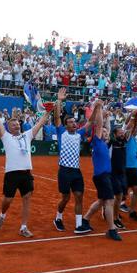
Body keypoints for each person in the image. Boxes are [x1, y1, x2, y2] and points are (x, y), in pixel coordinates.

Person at [0, 94, 51, 238]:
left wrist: (48, 111)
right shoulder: (6, 136)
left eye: (17, 123)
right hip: (12, 173)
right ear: (9, 127)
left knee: (27, 198)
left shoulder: (27, 135)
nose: (16, 125)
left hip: (26, 173)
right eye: (13, 124)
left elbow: (41, 123)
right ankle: (3, 214)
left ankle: (23, 227)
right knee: (7, 200)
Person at [74, 99, 121, 241]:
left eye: (107, 132)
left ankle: (86, 219)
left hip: (103, 175)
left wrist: (106, 116)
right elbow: (100, 125)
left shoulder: (104, 144)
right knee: (109, 201)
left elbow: (105, 125)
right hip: (102, 176)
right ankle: (111, 229)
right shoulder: (97, 140)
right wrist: (99, 107)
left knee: (101, 201)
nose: (106, 133)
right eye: (104, 132)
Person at [52, 88, 89, 232]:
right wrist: (59, 100)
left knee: (79, 196)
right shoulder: (61, 132)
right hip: (64, 171)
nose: (74, 123)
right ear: (66, 125)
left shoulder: (79, 134)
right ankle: (58, 218)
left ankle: (79, 225)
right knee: (66, 198)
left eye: (75, 122)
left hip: (76, 172)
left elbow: (89, 123)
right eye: (71, 122)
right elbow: (56, 118)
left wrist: (97, 108)